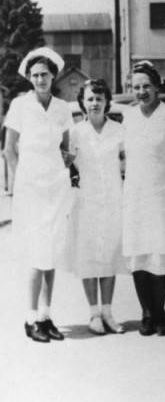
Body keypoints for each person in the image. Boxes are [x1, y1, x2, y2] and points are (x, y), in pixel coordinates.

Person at [3, 47, 72, 343]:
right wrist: (21, 183)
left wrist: (58, 172)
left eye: (44, 74)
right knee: (35, 253)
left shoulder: (63, 108)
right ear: (29, 78)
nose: (40, 79)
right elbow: (9, 149)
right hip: (30, 190)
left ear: (53, 75)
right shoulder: (20, 106)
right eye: (35, 75)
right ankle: (30, 318)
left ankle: (46, 316)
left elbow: (67, 150)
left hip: (56, 189)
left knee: (52, 253)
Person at [122, 60, 165, 337]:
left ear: (157, 87)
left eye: (146, 86)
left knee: (159, 255)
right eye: (136, 87)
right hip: (135, 195)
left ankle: (160, 311)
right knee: (139, 255)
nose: (141, 92)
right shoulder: (127, 117)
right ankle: (146, 313)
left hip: (162, 194)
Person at [68, 79, 126, 335]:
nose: (94, 103)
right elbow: (66, 166)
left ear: (106, 102)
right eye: (90, 99)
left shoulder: (118, 130)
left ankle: (108, 312)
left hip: (114, 198)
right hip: (86, 201)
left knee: (110, 254)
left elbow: (127, 162)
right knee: (89, 255)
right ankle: (93, 313)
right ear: (82, 102)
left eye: (99, 99)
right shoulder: (75, 132)